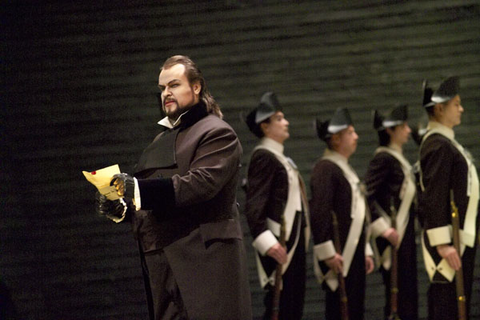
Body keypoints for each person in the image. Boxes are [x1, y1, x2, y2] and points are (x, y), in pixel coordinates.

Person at [95, 55, 252, 320]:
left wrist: (137, 191)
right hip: (163, 264)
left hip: (204, 261)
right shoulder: (158, 142)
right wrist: (121, 207)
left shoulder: (216, 132)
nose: (166, 93)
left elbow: (200, 185)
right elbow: (148, 202)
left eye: (174, 85)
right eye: (162, 88)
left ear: (197, 87)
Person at [243, 92, 310, 320]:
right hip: (280, 245)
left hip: (293, 242)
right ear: (265, 126)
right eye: (279, 118)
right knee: (279, 309)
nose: (286, 122)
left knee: (292, 308)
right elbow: (254, 207)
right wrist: (268, 244)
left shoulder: (279, 157)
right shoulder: (264, 157)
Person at [417, 76, 478, 320]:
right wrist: (442, 243)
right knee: (447, 307)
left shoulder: (445, 142)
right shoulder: (438, 144)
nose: (461, 109)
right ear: (440, 108)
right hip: (449, 243)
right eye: (456, 104)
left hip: (458, 239)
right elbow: (434, 194)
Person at [310, 108, 375, 320]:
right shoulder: (326, 168)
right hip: (338, 253)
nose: (356, 137)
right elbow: (320, 212)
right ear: (336, 139)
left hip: (352, 251)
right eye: (350, 132)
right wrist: (327, 252)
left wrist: (365, 248)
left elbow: (356, 213)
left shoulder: (344, 167)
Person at [364, 105, 418, 319]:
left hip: (404, 236)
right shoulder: (383, 158)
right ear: (389, 131)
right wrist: (383, 229)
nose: (408, 130)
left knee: (407, 294)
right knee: (398, 297)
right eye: (402, 126)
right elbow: (366, 195)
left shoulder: (397, 158)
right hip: (394, 237)